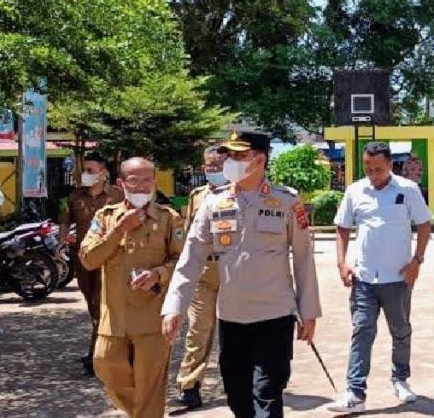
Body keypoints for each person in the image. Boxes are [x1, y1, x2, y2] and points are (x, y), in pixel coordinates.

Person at [161, 131, 321, 418]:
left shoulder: (286, 201)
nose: (229, 161)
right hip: (232, 317)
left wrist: (308, 311)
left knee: (267, 394)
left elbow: (304, 259)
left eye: (238, 156)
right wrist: (175, 306)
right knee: (238, 395)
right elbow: (192, 257)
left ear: (259, 160)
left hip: (274, 315)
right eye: (229, 155)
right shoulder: (214, 202)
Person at [325, 142, 432, 414]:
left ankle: (400, 378)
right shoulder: (355, 191)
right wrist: (341, 263)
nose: (373, 174)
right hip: (364, 278)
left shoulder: (407, 190)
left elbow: (424, 224)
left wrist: (417, 261)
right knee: (362, 331)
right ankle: (355, 391)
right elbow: (342, 227)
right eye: (368, 169)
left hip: (398, 278)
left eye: (378, 169)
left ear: (390, 165)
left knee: (400, 330)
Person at [79, 157, 185, 418]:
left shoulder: (169, 218)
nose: (140, 186)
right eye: (134, 181)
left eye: (147, 180)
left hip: (151, 320)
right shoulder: (105, 217)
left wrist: (157, 274)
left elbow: (182, 263)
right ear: (121, 183)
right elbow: (88, 259)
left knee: (150, 387)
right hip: (113, 319)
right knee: (105, 367)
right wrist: (118, 231)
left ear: (155, 182)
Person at [59, 151, 123, 376]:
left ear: (103, 173)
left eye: (90, 171)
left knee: (101, 305)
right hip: (83, 259)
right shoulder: (76, 197)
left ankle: (97, 355)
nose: (85, 175)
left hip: (110, 259)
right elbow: (66, 222)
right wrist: (60, 244)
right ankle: (104, 350)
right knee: (92, 305)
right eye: (83, 171)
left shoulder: (117, 195)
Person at [174, 146, 227, 410]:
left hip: (234, 273)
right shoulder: (197, 196)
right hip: (204, 273)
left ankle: (237, 379)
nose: (213, 170)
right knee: (198, 330)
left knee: (236, 331)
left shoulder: (241, 194)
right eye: (209, 166)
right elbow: (187, 238)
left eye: (218, 165)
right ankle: (189, 385)